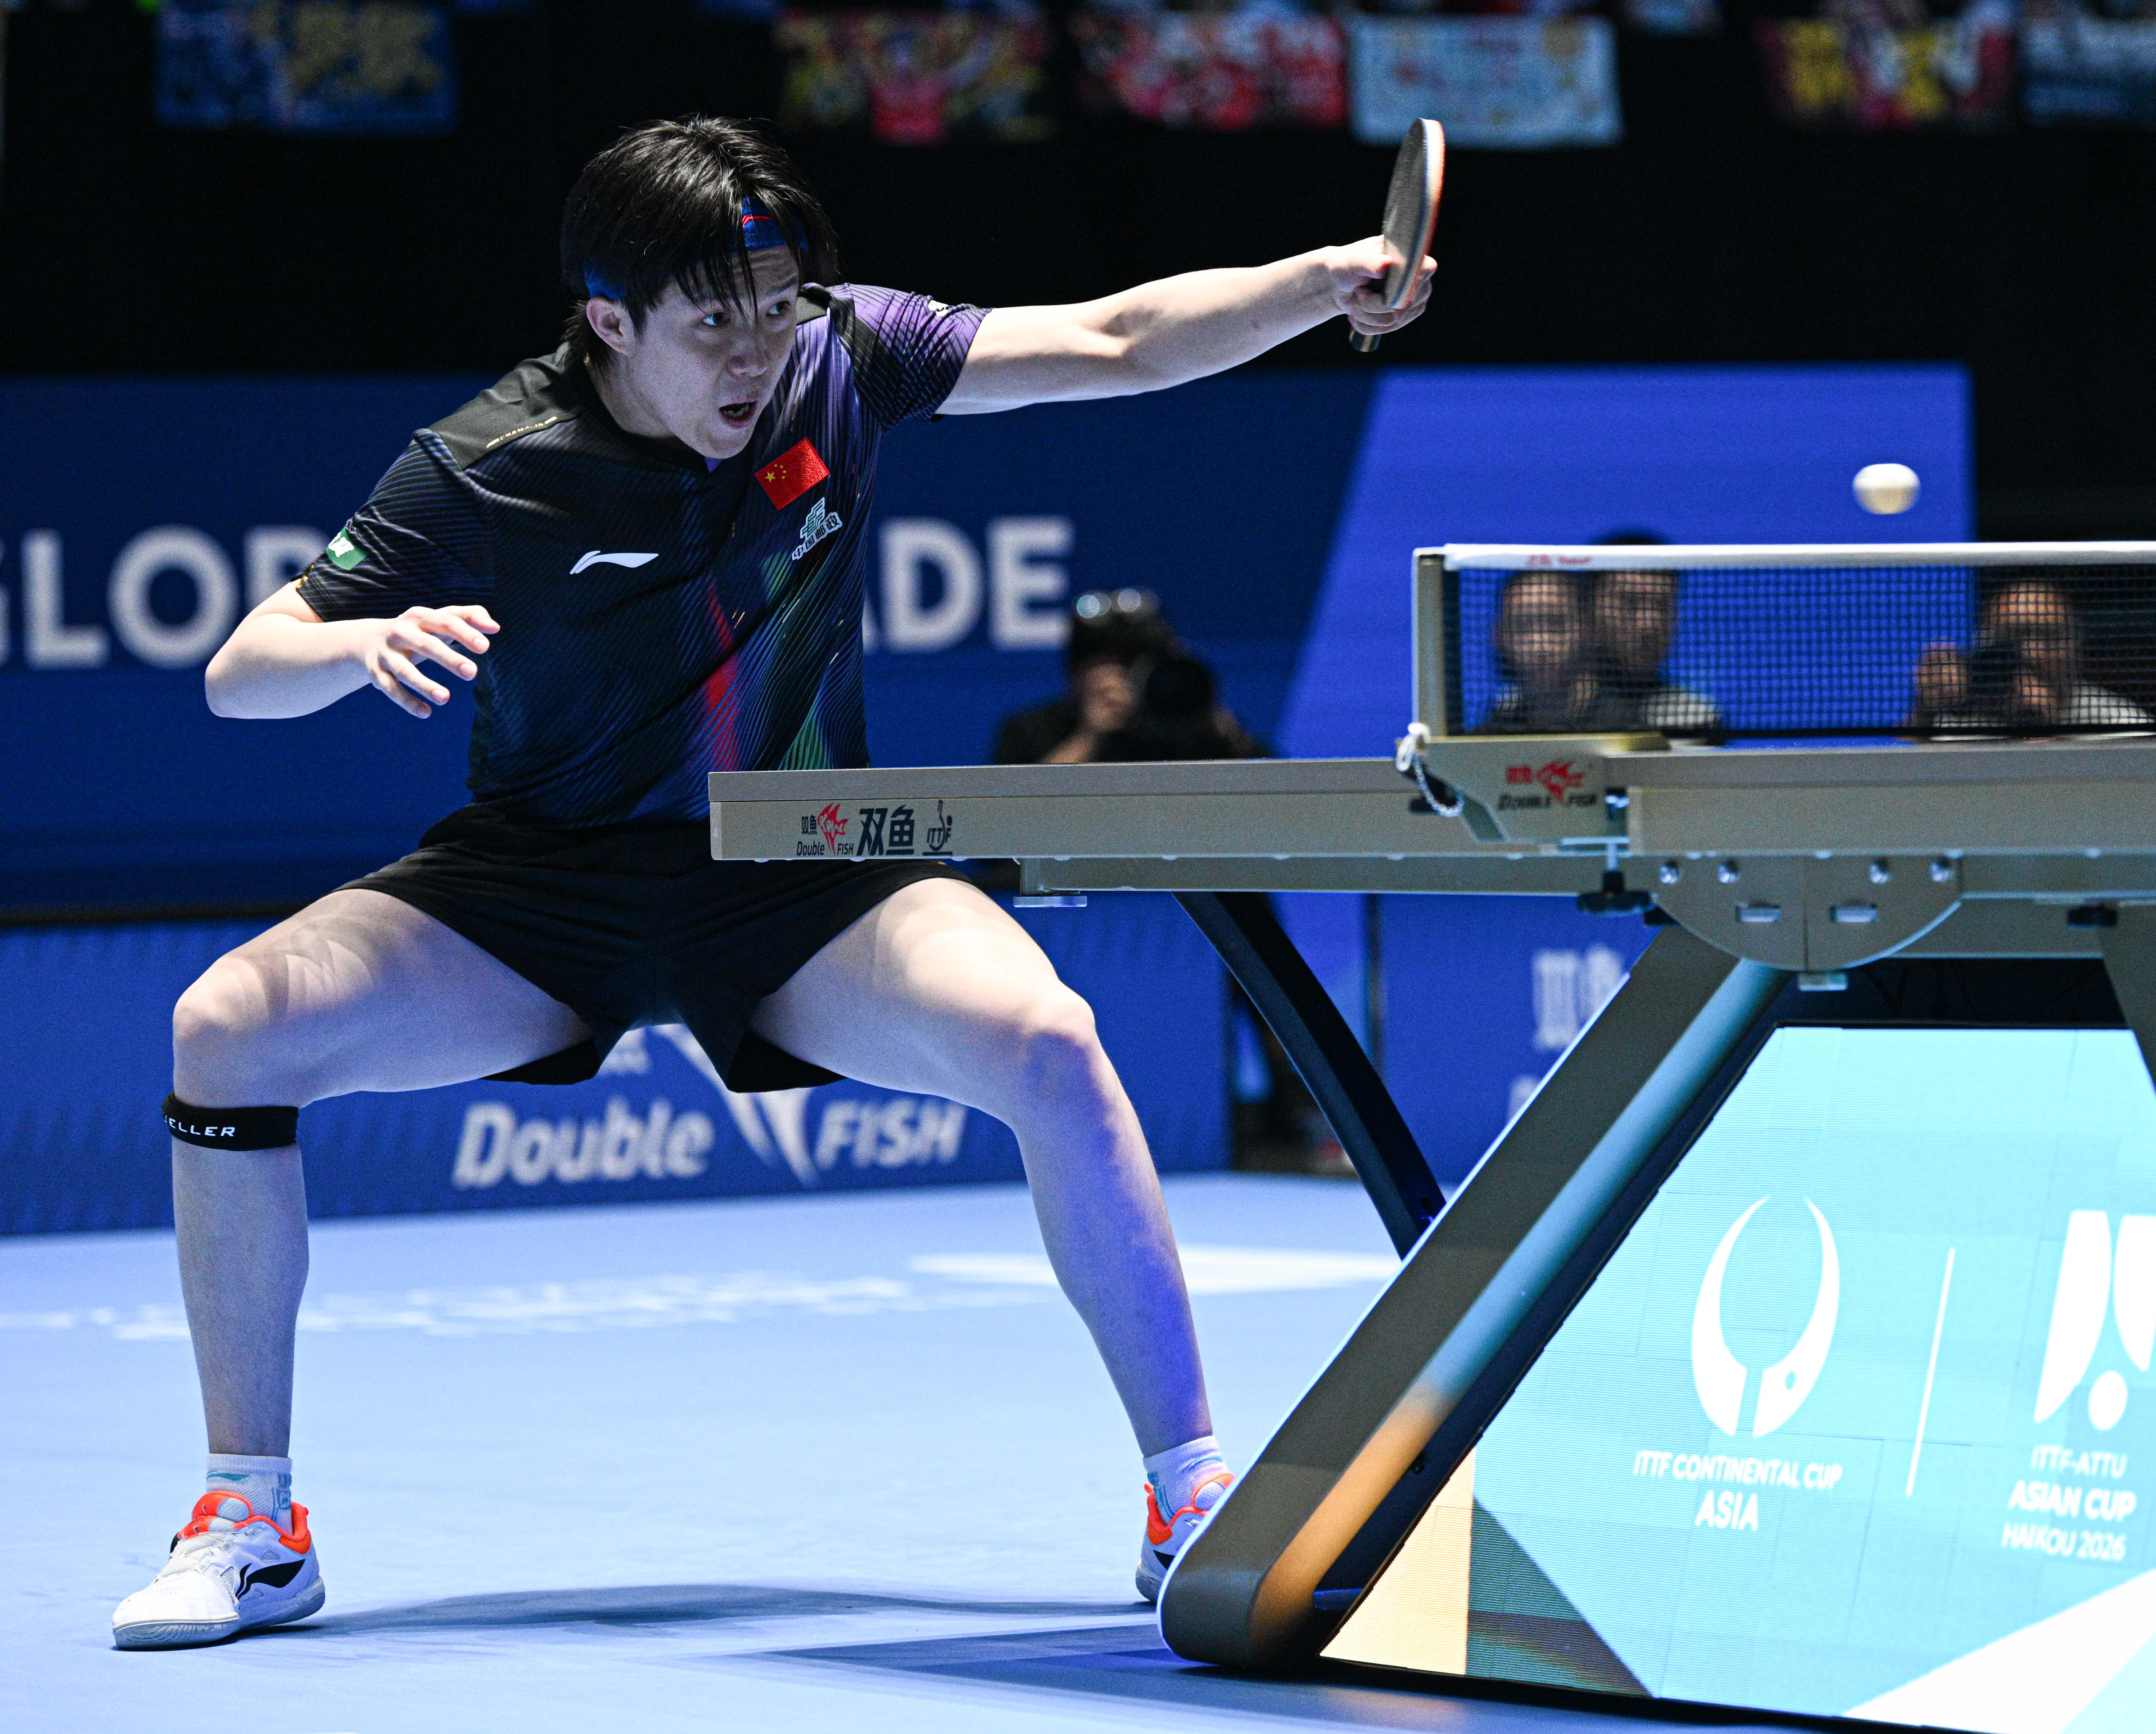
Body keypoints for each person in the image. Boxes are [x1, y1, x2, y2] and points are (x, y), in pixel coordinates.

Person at [114, 115, 1435, 1651]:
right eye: (711, 322)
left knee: (1049, 1040)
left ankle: (1188, 1495)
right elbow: (241, 669)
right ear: (609, 322)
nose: (756, 351)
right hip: (541, 881)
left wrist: (1324, 280)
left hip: (803, 863)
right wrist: (356, 644)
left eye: (775, 305)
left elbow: (1117, 339)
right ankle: (253, 1517)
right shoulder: (491, 460)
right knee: (225, 1030)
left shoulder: (841, 357)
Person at [993, 589, 1266, 766]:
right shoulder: (1032, 731)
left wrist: (1207, 717)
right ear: (1075, 675)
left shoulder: (1187, 727)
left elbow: (1274, 803)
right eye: (1117, 666)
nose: (1135, 678)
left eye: (1143, 663)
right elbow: (1009, 825)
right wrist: (1089, 739)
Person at [1912, 579, 2152, 731]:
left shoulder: (2119, 722)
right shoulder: (1957, 719)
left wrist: (2043, 731)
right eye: (2013, 635)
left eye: (2049, 635)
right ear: (1984, 642)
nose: (2032, 652)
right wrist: (1925, 710)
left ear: (2077, 645)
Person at [1579, 532, 1723, 738]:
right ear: (1587, 610)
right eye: (1629, 603)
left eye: (1662, 605)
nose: (1649, 624)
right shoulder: (1546, 708)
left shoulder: (1694, 717)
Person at [1481, 570, 1598, 732]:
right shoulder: (1495, 732)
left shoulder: (1622, 722)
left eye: (1556, 624)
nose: (1540, 646)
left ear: (1588, 630)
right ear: (1499, 637)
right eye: (1523, 627)